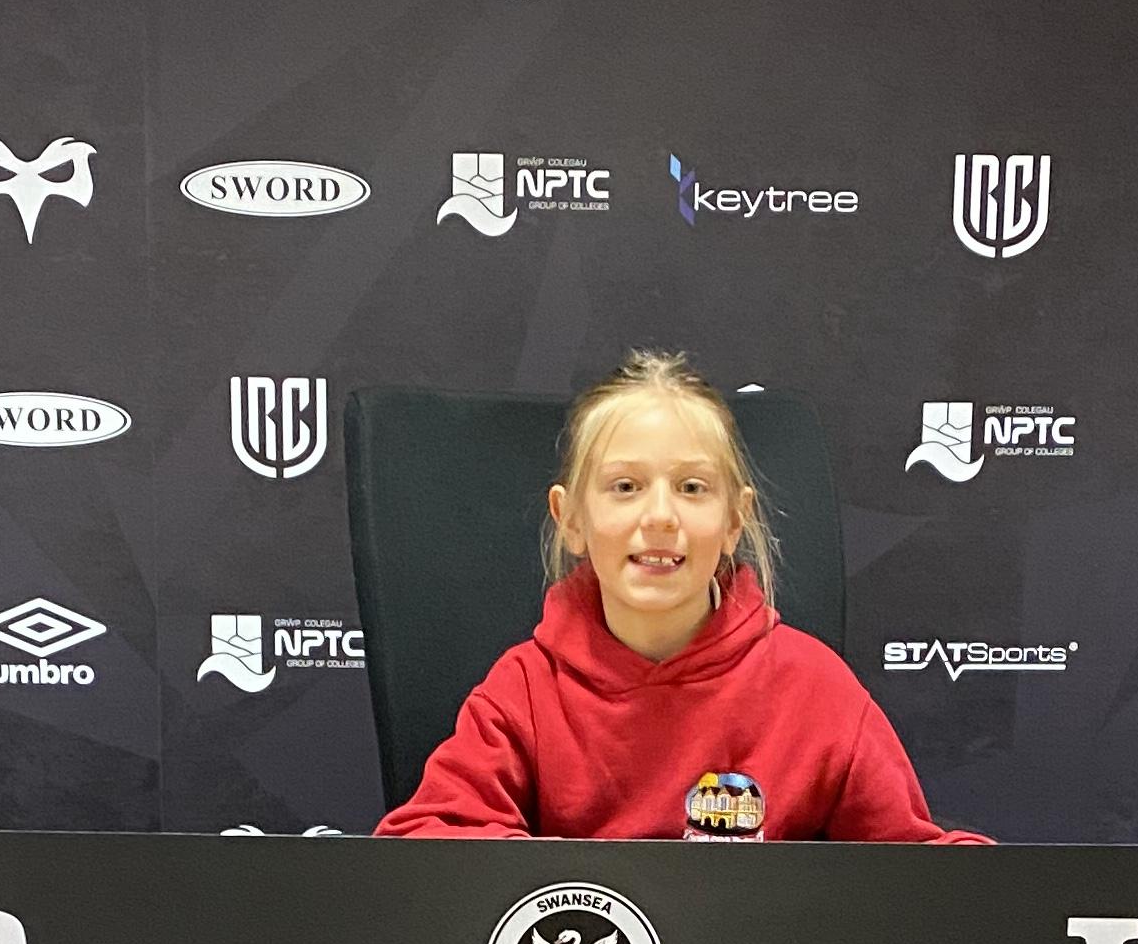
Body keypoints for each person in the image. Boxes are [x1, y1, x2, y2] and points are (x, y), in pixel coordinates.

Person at [375, 353, 984, 842]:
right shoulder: (524, 692)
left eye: (692, 487)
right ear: (572, 520)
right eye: (625, 486)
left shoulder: (816, 689)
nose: (661, 516)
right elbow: (427, 843)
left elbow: (917, 875)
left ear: (734, 521)